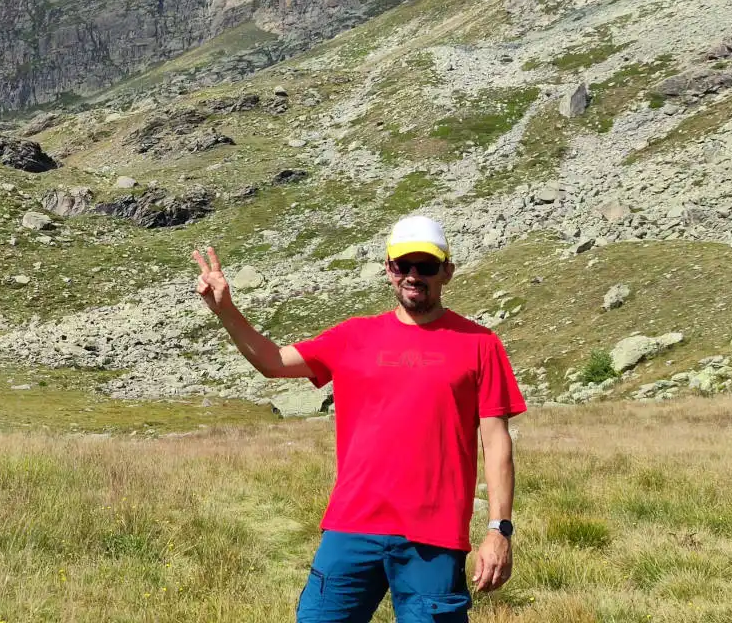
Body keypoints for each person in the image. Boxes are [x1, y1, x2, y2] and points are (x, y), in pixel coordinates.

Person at [192, 215, 524, 623]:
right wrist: (225, 310)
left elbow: (496, 442)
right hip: (351, 528)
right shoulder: (352, 336)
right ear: (388, 270)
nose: (413, 276)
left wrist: (499, 529)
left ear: (447, 272)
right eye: (403, 266)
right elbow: (273, 362)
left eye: (426, 266)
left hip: (434, 537)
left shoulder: (480, 344)